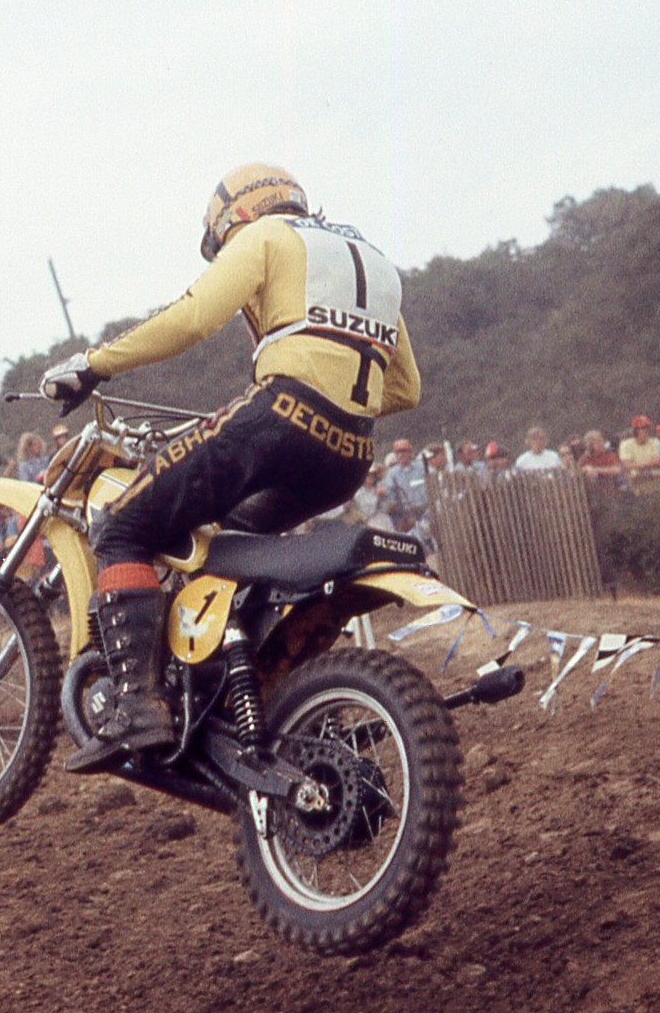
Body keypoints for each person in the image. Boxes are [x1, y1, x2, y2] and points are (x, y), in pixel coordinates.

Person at [40, 163, 419, 769]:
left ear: (236, 216)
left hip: (280, 416)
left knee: (123, 524)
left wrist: (95, 364)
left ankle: (137, 708)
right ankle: (235, 685)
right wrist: (331, 390)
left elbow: (193, 317)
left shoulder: (265, 235)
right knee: (230, 546)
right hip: (350, 452)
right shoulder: (373, 261)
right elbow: (405, 389)